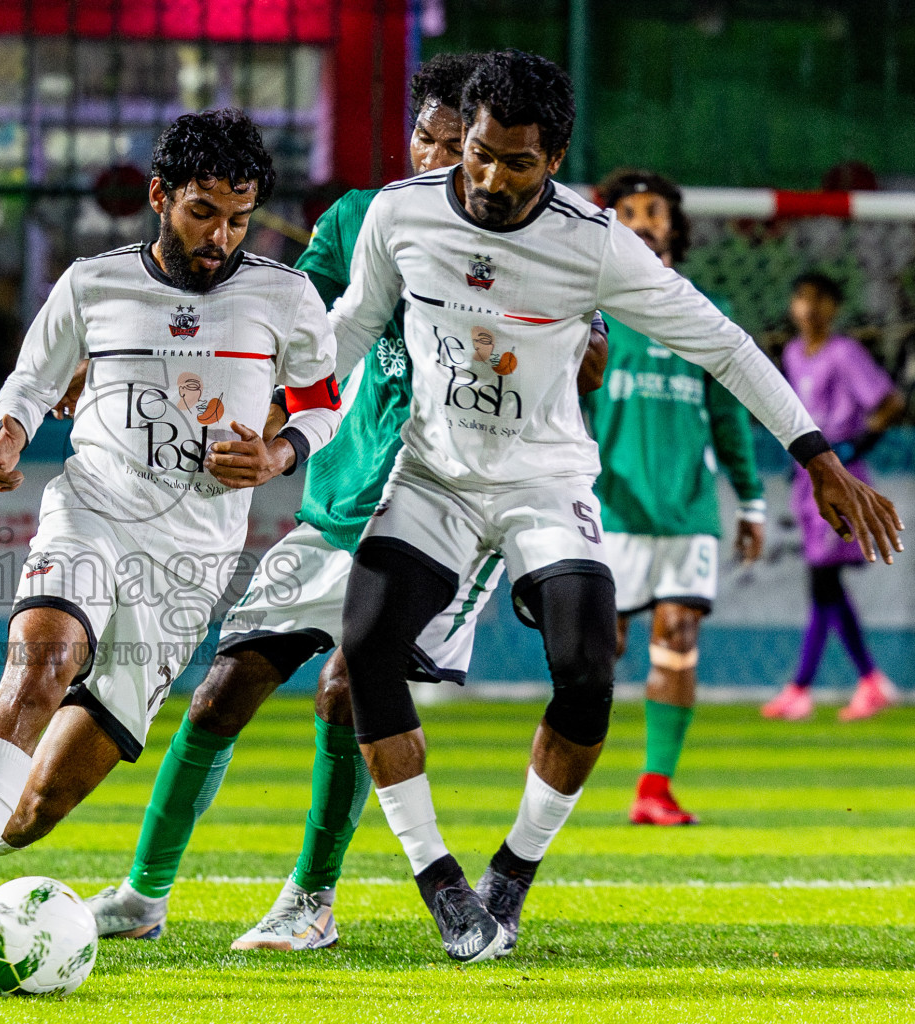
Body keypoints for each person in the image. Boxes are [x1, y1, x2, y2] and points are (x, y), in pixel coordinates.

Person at [327, 49, 901, 963]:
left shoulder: (592, 242)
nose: (489, 176)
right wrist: (264, 397)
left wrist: (818, 458)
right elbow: (349, 326)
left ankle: (511, 875)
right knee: (364, 649)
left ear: (553, 158)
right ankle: (441, 882)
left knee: (589, 667)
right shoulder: (401, 215)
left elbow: (725, 346)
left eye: (517, 161)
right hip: (431, 478)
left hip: (545, 483)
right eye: (478, 152)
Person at [85, 52, 609, 952]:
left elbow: (576, 351)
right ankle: (144, 892)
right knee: (220, 694)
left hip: (441, 508)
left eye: (455, 146)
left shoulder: (531, 234)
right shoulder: (367, 219)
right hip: (339, 497)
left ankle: (310, 900)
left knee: (343, 693)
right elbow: (287, 320)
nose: (435, 158)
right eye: (424, 138)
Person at [0, 109, 344, 968]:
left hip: (189, 566)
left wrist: (281, 449)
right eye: (203, 212)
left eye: (240, 218)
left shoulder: (284, 297)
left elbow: (324, 403)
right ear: (159, 197)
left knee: (29, 816)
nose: (221, 237)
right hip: (91, 513)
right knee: (40, 664)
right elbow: (32, 376)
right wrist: (10, 433)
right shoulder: (92, 284)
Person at [582, 169, 766, 826]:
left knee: (678, 637)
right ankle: (563, 776)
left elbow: (730, 413)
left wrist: (751, 501)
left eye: (655, 210)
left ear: (674, 225)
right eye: (628, 211)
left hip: (688, 510)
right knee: (599, 650)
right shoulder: (590, 311)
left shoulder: (706, 311)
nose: (643, 220)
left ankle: (654, 788)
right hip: (614, 509)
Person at [762, 273, 906, 721]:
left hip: (839, 477)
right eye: (802, 298)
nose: (809, 308)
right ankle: (870, 681)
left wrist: (853, 447)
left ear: (834, 307)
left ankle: (801, 686)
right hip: (808, 476)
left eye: (820, 300)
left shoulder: (844, 353)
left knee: (822, 581)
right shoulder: (791, 353)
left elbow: (889, 403)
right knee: (827, 585)